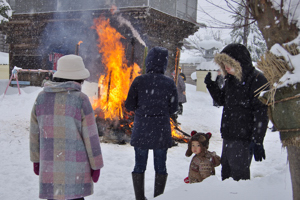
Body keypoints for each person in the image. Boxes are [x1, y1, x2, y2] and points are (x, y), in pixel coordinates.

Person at [30, 54, 104, 200]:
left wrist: (36, 159)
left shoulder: (41, 98)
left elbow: (34, 132)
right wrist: (96, 165)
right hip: (75, 169)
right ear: (79, 78)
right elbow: (91, 136)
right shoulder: (80, 99)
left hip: (50, 167)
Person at [204, 43, 269, 181]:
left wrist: (258, 140)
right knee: (226, 174)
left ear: (240, 63)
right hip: (228, 135)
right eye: (224, 65)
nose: (226, 68)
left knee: (238, 178)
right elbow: (222, 100)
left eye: (229, 64)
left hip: (244, 139)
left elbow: (262, 113)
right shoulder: (232, 79)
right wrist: (211, 85)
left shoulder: (257, 79)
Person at [125, 46, 178, 200]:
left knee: (139, 165)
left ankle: (140, 198)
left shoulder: (139, 81)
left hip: (142, 129)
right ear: (164, 64)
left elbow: (129, 105)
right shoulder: (169, 83)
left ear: (148, 62)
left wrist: (142, 108)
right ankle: (158, 197)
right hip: (161, 131)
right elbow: (174, 108)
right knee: (161, 166)